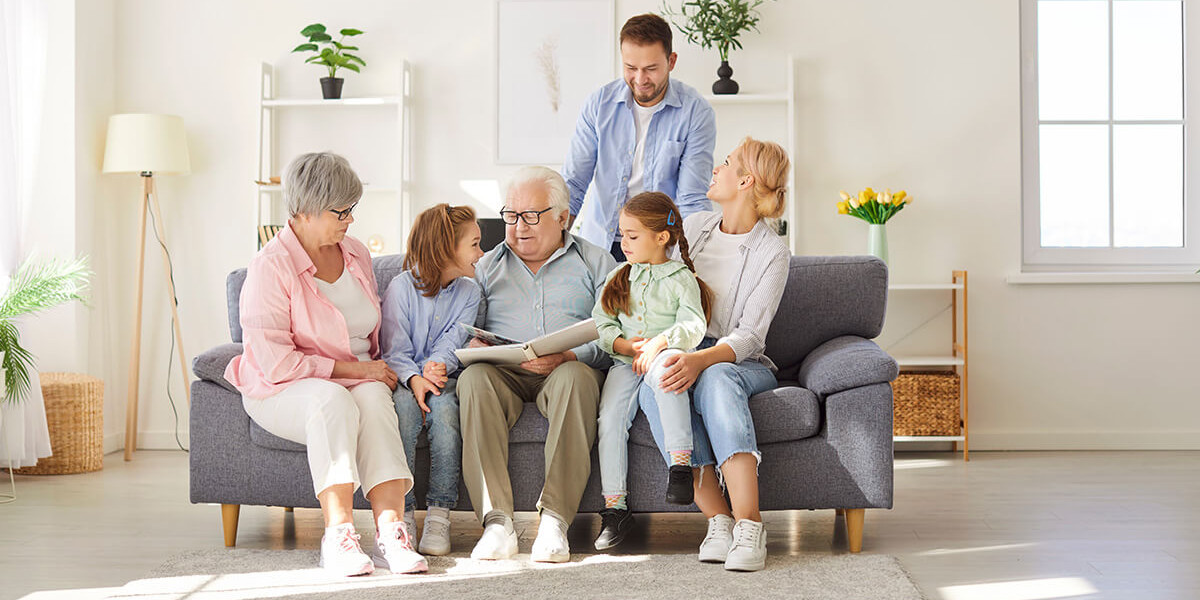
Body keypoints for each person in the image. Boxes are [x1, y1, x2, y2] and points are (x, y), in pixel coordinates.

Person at [224, 152, 426, 576]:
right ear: (305, 210)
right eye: (341, 211)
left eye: (352, 209)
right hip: (281, 388)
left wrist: (377, 370)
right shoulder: (269, 267)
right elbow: (277, 364)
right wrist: (357, 370)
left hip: (355, 377)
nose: (350, 220)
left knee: (373, 397)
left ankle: (391, 530)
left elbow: (373, 339)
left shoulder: (354, 253)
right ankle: (339, 536)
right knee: (332, 400)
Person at [637, 137, 791, 572]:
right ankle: (718, 521)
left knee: (717, 380)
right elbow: (659, 285)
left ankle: (750, 524)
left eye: (725, 164)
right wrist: (660, 344)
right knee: (657, 384)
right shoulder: (699, 228)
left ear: (745, 180)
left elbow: (751, 337)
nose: (715, 169)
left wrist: (701, 361)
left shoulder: (772, 253)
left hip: (741, 362)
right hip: (687, 349)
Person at [458, 166, 616, 563]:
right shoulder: (486, 266)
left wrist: (568, 355)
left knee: (578, 378)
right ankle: (497, 524)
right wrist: (474, 342)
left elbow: (613, 333)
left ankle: (555, 522)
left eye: (531, 216)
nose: (517, 228)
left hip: (566, 368)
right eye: (510, 215)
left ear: (563, 218)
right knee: (474, 379)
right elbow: (459, 325)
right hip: (502, 371)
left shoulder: (597, 262)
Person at [590, 191, 713, 551]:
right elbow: (602, 323)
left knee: (666, 375)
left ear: (661, 237)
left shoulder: (680, 277)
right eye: (622, 235)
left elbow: (694, 325)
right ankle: (615, 509)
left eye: (632, 236)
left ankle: (680, 466)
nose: (623, 243)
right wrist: (624, 346)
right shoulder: (619, 275)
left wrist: (660, 343)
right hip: (625, 363)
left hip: (663, 356)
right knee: (610, 419)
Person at [563, 12, 716, 263]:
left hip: (659, 248)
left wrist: (690, 262)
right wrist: (554, 249)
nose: (640, 79)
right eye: (630, 68)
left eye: (651, 69)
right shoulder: (599, 105)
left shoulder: (696, 113)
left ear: (672, 61)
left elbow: (691, 200)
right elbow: (574, 184)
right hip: (600, 245)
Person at [379, 203, 484, 557]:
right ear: (446, 248)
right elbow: (393, 348)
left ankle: (440, 513)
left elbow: (455, 340)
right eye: (474, 244)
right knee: (405, 415)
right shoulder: (400, 288)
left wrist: (437, 366)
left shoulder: (470, 293)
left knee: (445, 416)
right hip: (403, 378)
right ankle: (402, 513)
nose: (480, 253)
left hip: (444, 379)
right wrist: (414, 377)